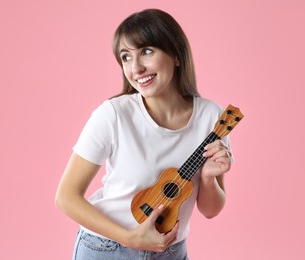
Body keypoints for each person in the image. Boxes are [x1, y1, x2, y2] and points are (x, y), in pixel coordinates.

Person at [55, 8, 233, 260]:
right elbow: (66, 197)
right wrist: (130, 238)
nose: (136, 68)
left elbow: (211, 210)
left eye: (147, 52)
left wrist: (207, 177)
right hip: (108, 249)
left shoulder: (212, 117)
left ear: (176, 55)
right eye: (125, 57)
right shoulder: (114, 114)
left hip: (170, 251)